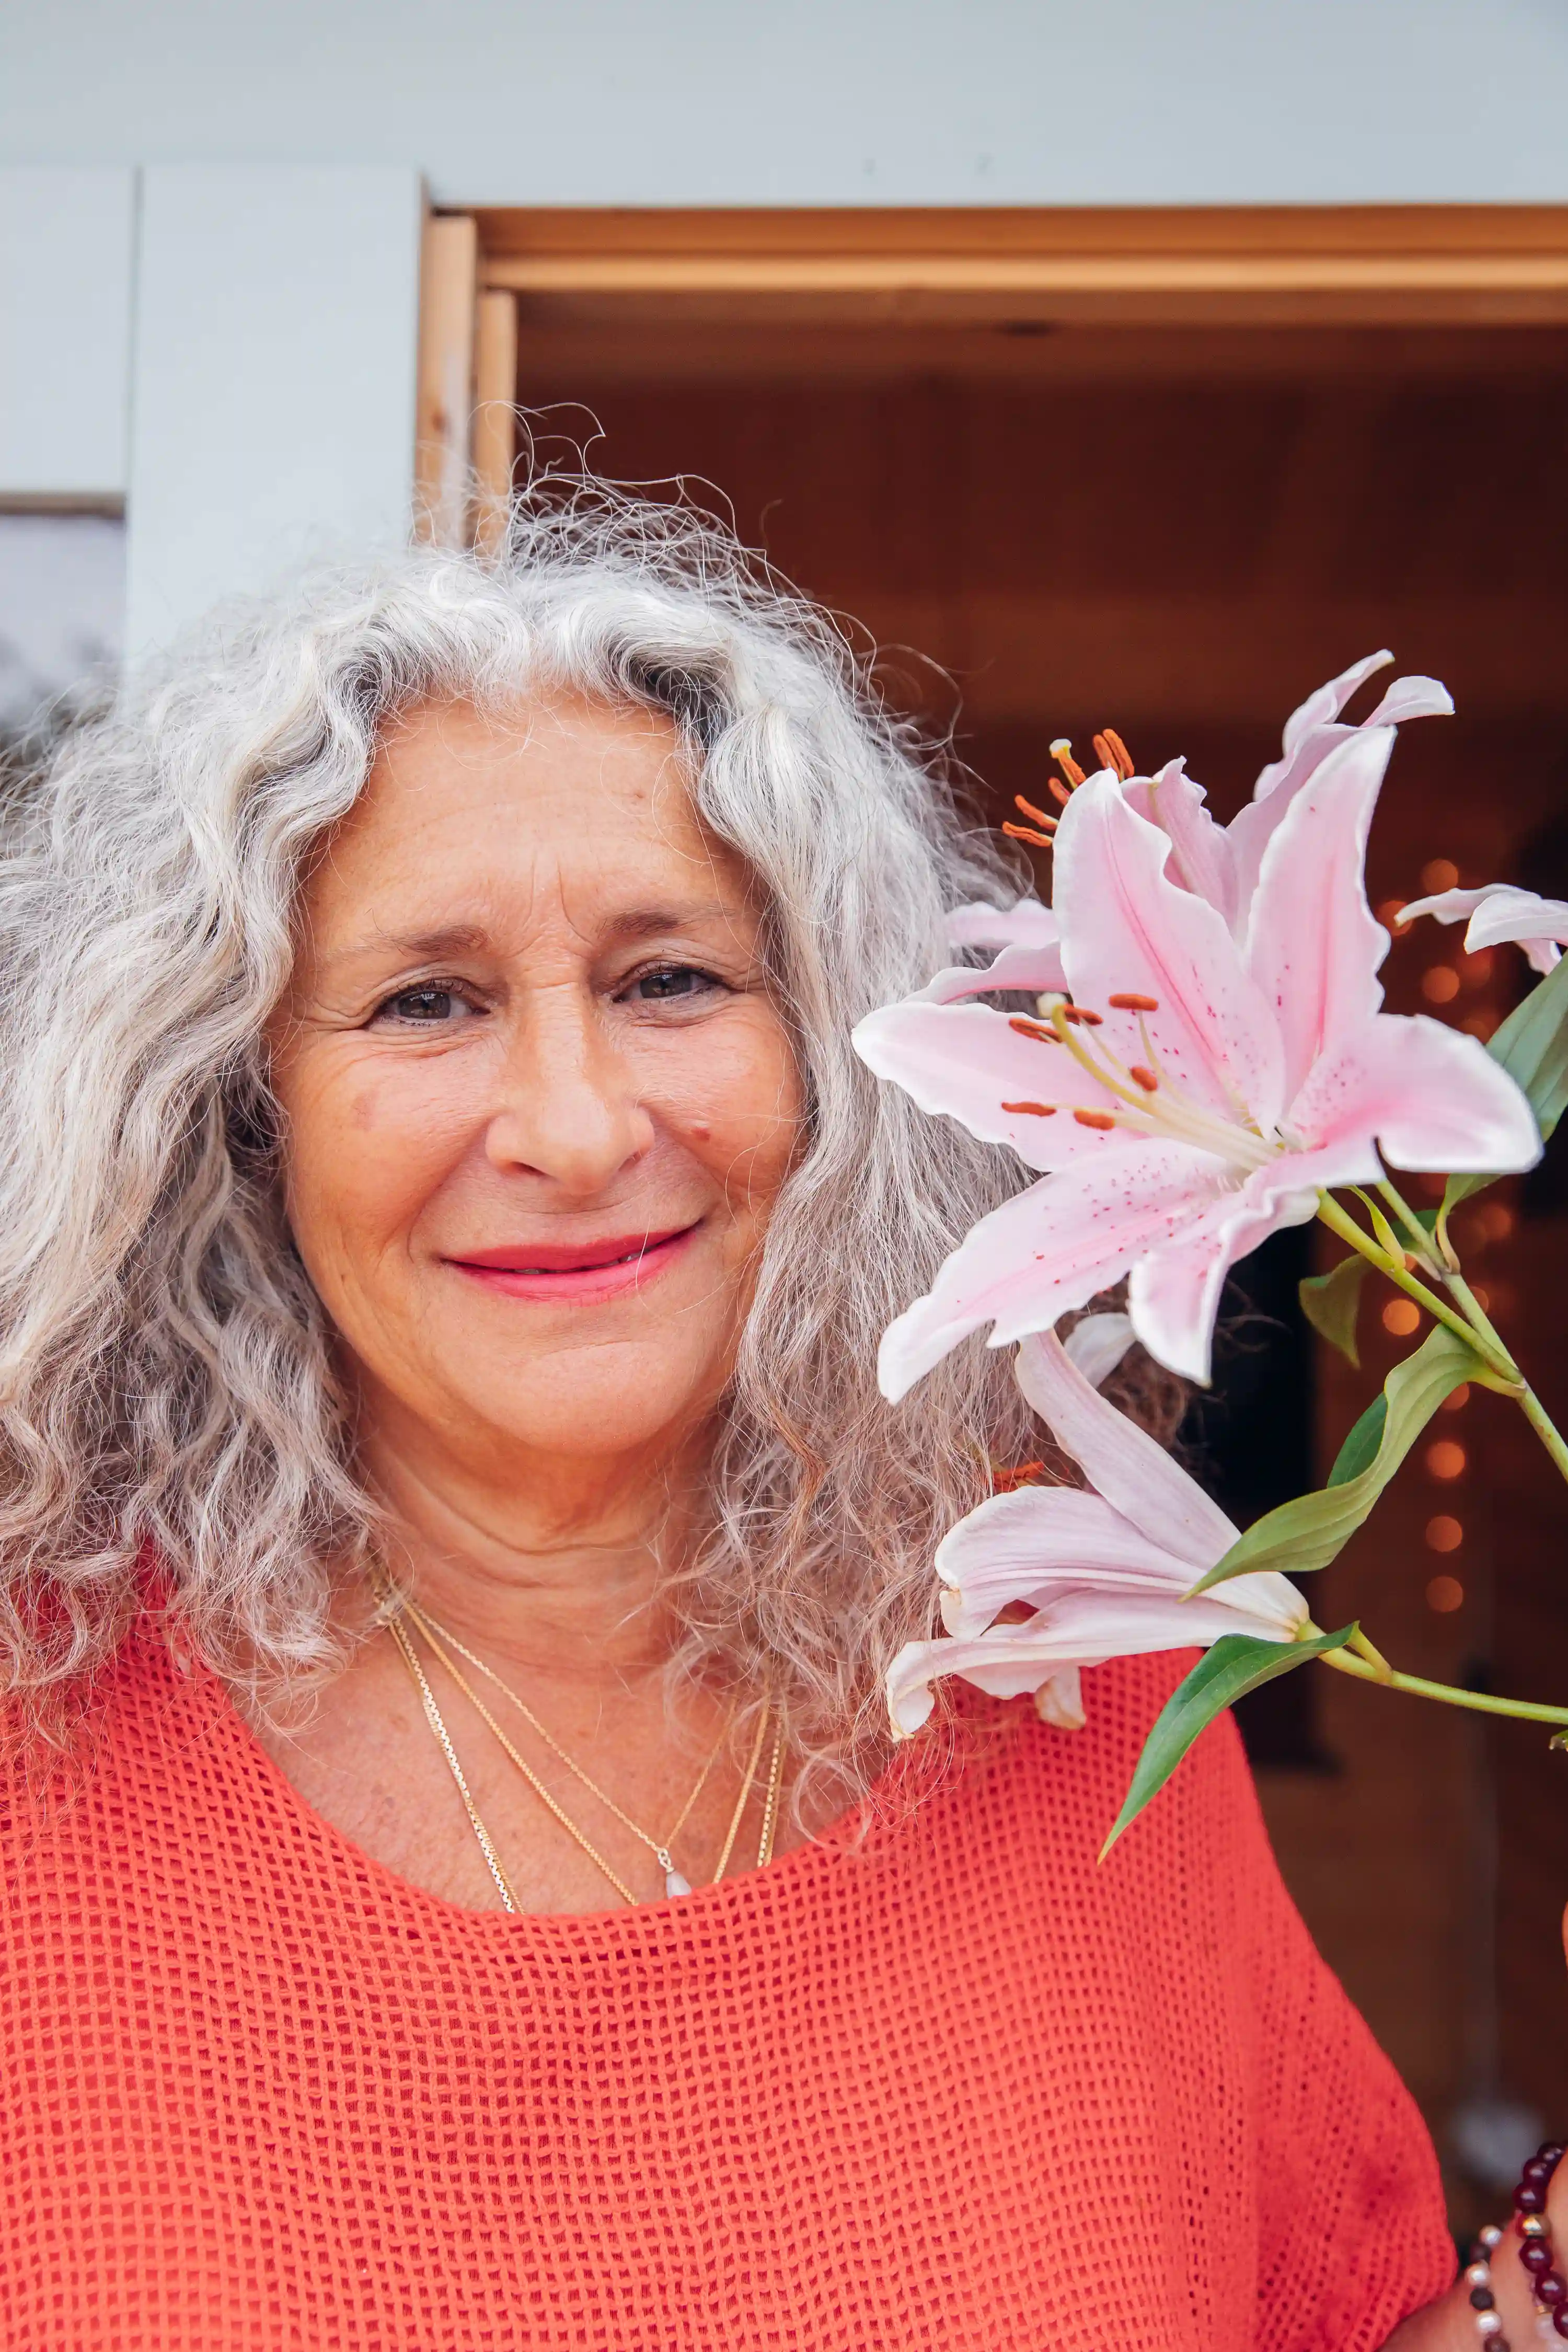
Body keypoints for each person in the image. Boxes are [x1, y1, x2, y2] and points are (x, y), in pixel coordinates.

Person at [0, 489, 1548, 2348]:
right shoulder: (39, 1733)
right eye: (427, 999)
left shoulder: (1068, 1670)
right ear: (239, 1104)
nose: (572, 1128)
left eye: (673, 980)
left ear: (834, 1067)